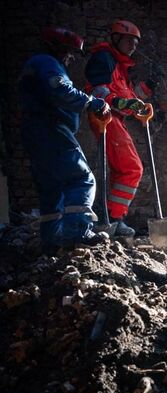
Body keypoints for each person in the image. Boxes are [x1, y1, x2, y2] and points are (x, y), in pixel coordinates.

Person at [18, 27, 111, 252]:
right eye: (69, 52)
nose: (71, 58)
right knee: (81, 179)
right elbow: (60, 89)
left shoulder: (35, 64)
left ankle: (51, 240)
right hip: (51, 129)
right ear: (57, 48)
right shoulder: (47, 63)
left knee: (52, 187)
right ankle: (78, 232)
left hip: (34, 132)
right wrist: (92, 102)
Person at [84, 20, 154, 237]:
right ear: (116, 39)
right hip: (105, 116)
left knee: (121, 170)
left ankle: (113, 218)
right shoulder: (104, 58)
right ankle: (114, 218)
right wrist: (121, 103)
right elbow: (98, 91)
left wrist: (145, 93)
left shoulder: (119, 66)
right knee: (133, 168)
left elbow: (128, 97)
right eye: (129, 40)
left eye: (136, 43)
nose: (133, 46)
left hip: (116, 118)